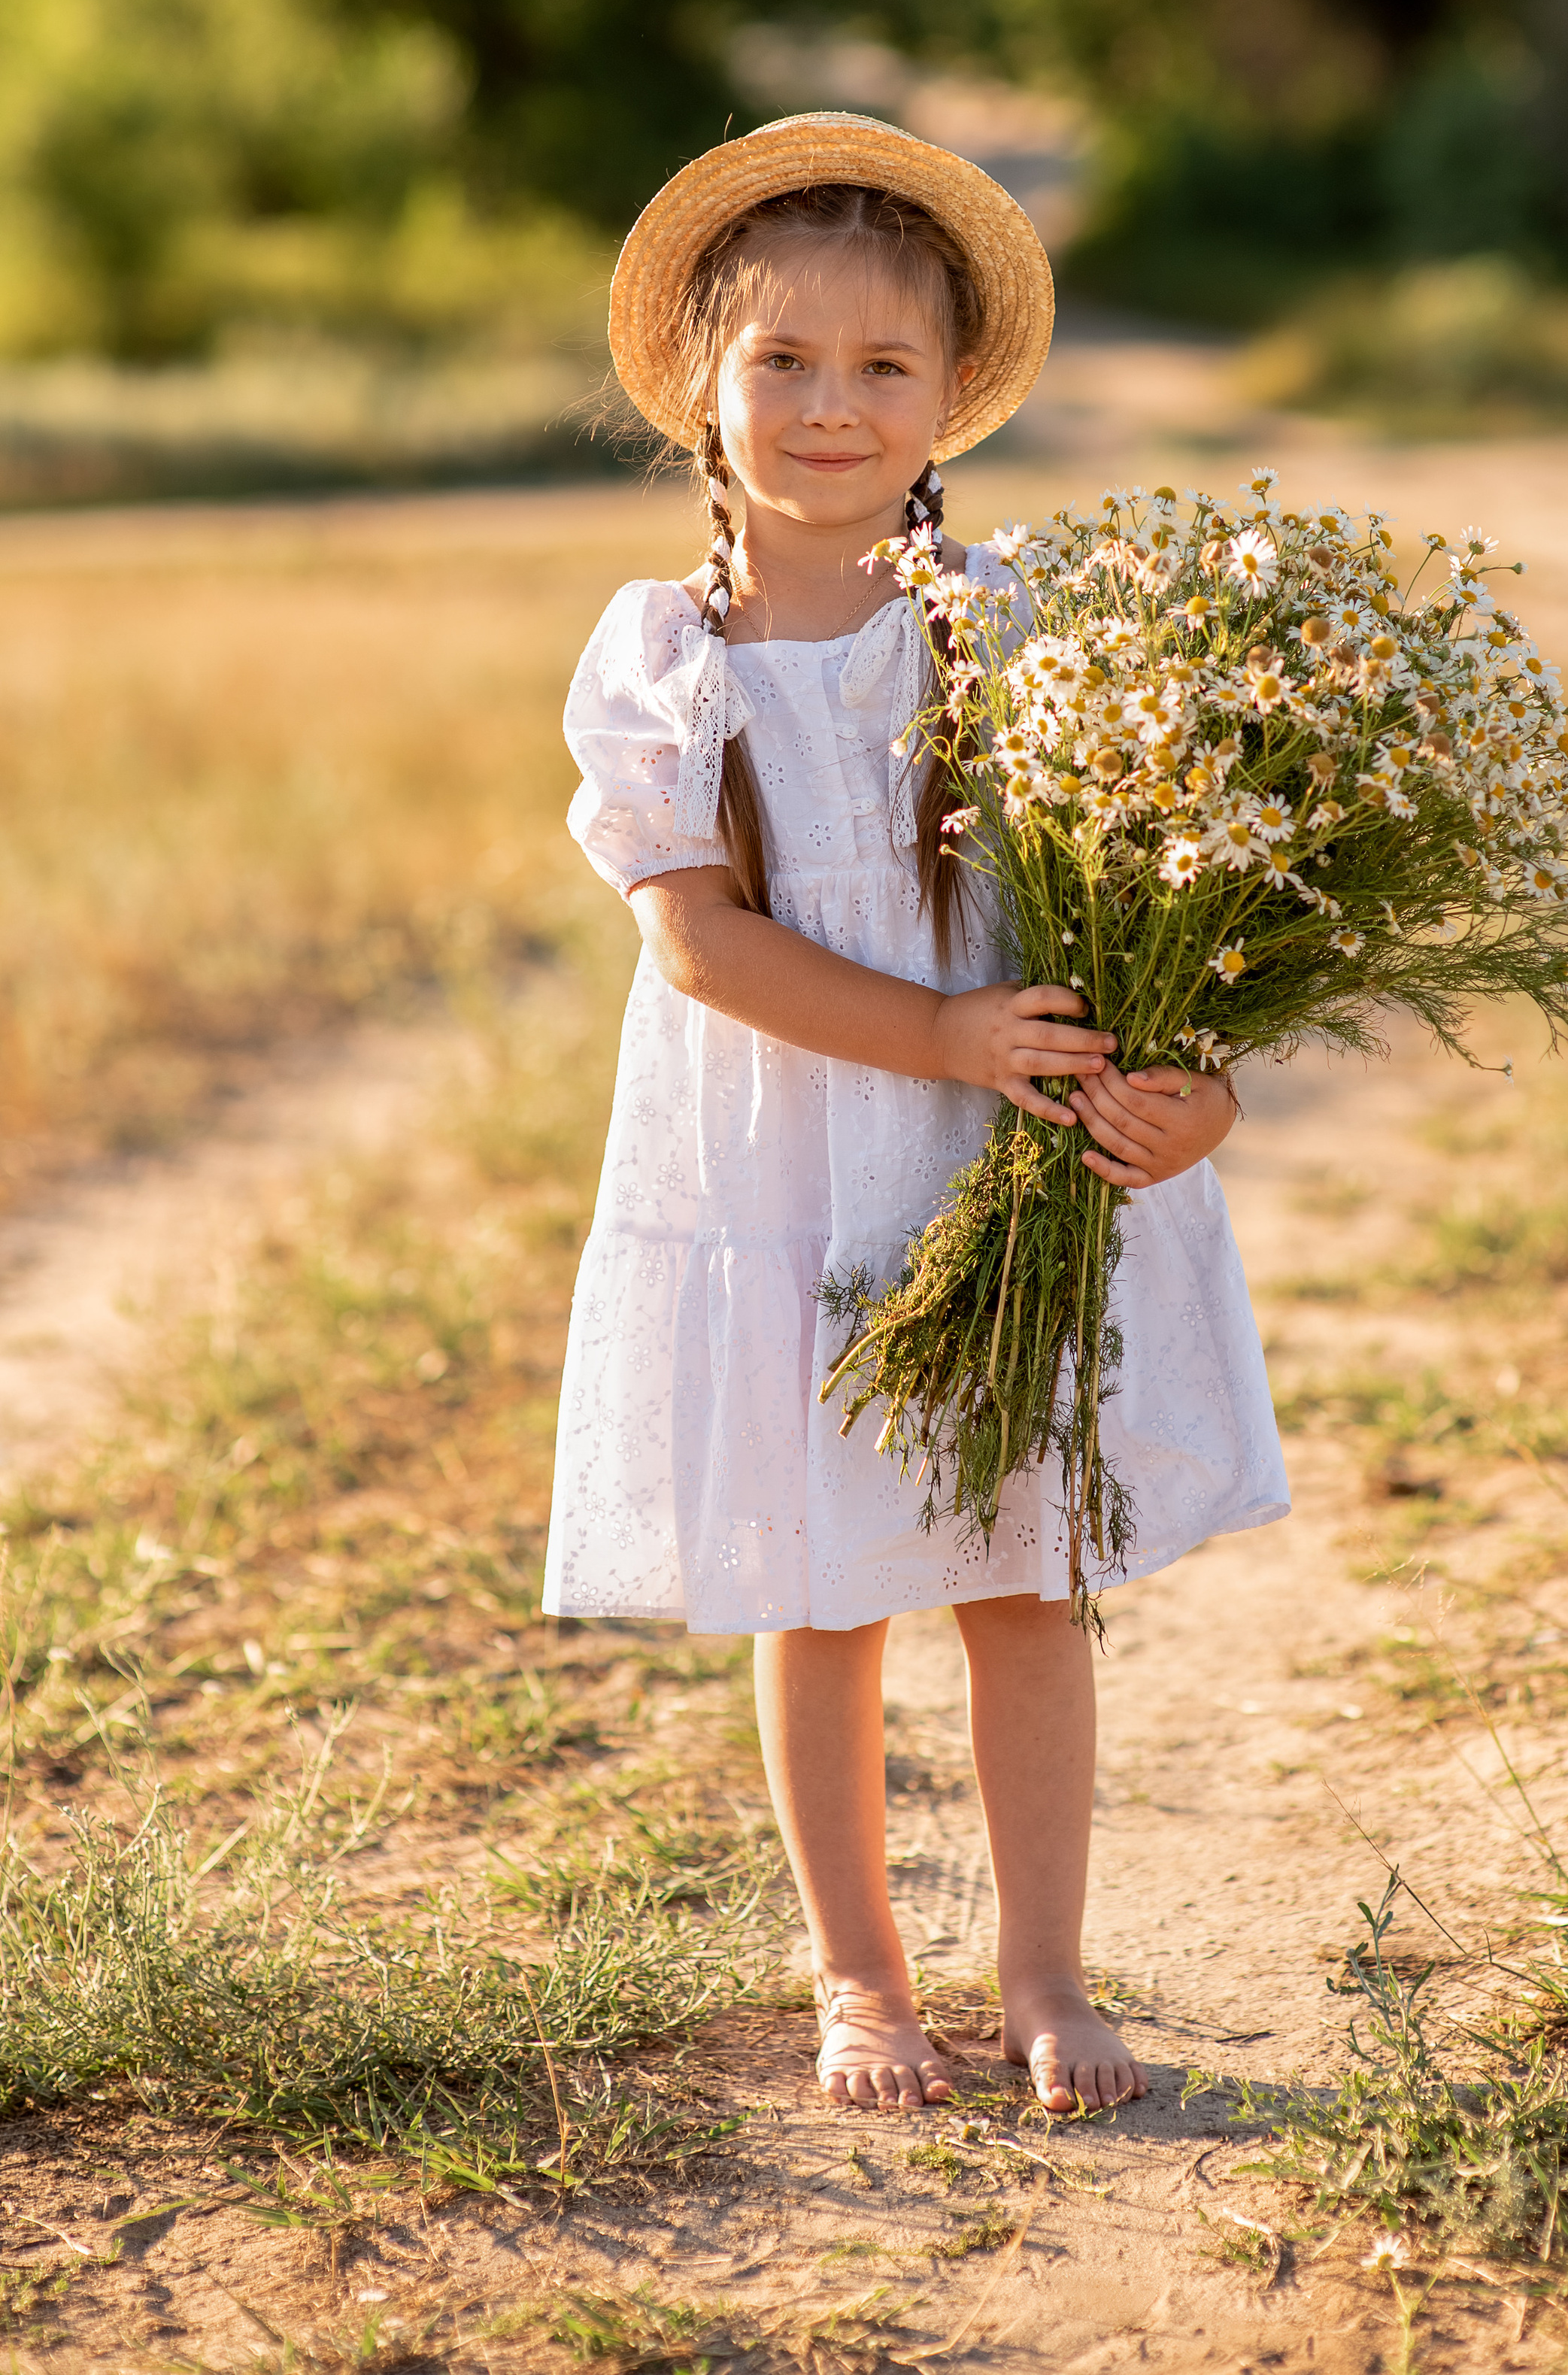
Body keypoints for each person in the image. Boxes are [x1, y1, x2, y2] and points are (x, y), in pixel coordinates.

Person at [543, 113, 1290, 2114]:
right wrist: (948, 1035)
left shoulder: (1023, 627)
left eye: (882, 365)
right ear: (698, 382)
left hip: (1003, 1165)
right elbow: (699, 948)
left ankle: (1045, 1971)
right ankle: (859, 1979)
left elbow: (1168, 917)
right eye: (780, 357)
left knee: (1027, 1574)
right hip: (794, 1167)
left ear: (952, 394)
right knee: (821, 1583)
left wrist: (1187, 1093)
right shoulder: (670, 656)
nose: (827, 403)